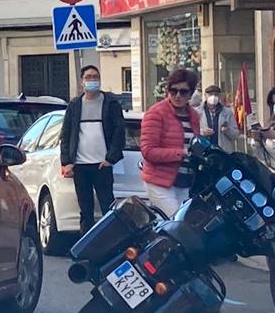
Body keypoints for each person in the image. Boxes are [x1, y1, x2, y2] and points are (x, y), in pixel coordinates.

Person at [59, 65, 127, 234]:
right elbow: (66, 135)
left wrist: (111, 159)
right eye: (88, 77)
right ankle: (86, 248)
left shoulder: (110, 103)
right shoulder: (75, 105)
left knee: (108, 208)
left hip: (101, 165)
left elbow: (119, 132)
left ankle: (112, 243)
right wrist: (67, 162)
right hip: (80, 166)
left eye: (95, 77)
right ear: (82, 82)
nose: (92, 80)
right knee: (85, 211)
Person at [140, 69, 202, 217]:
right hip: (160, 181)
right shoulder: (156, 113)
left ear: (191, 93)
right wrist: (181, 153)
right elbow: (148, 151)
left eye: (183, 92)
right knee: (177, 223)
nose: (178, 96)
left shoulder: (193, 115)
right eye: (173, 91)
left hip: (185, 181)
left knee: (183, 224)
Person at [198, 83, 241, 153]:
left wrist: (227, 130)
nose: (213, 97)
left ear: (219, 96)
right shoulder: (198, 112)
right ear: (205, 95)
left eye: (216, 95)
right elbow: (191, 132)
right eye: (210, 94)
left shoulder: (228, 112)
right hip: (204, 151)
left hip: (223, 152)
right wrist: (202, 132)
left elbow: (235, 135)